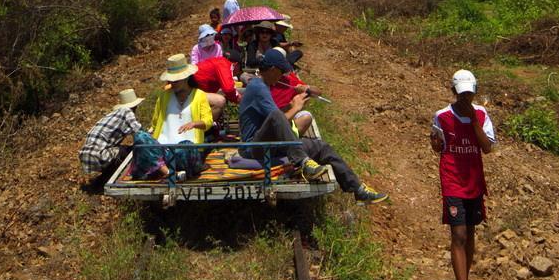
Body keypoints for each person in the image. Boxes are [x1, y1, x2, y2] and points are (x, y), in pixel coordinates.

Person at [238, 49, 387, 203]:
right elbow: (276, 119)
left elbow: (275, 119)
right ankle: (303, 162)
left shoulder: (263, 86)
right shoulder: (258, 87)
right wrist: (296, 108)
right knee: (278, 117)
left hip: (268, 143)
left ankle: (358, 189)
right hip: (253, 147)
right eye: (281, 72)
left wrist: (291, 105)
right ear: (273, 70)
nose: (282, 76)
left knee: (322, 148)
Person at [430, 69, 497, 280]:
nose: (466, 98)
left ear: (475, 91)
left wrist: (475, 123)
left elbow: (487, 147)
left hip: (474, 181)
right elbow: (438, 145)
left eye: (470, 93)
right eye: (462, 94)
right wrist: (435, 144)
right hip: (452, 180)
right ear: (454, 92)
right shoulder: (442, 116)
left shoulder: (481, 114)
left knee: (470, 234)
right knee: (458, 234)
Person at [131, 54, 214, 181]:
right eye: (170, 80)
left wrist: (194, 124)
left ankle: (161, 168)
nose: (172, 83)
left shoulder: (199, 95)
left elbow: (208, 121)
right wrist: (150, 138)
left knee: (186, 146)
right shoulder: (164, 96)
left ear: (186, 78)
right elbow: (155, 123)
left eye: (176, 80)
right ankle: (168, 171)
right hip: (164, 150)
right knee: (140, 137)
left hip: (187, 150)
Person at [79, 88, 145, 176]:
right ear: (135, 106)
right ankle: (121, 175)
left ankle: (106, 177)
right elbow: (139, 132)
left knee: (121, 150)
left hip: (86, 155)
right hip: (99, 155)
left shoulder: (112, 115)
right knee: (132, 150)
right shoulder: (127, 111)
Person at [268, 48, 316, 135]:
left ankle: (291, 138)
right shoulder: (262, 86)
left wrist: (306, 88)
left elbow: (317, 92)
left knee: (306, 116)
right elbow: (273, 118)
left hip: (285, 119)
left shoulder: (289, 80)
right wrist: (293, 106)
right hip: (270, 124)